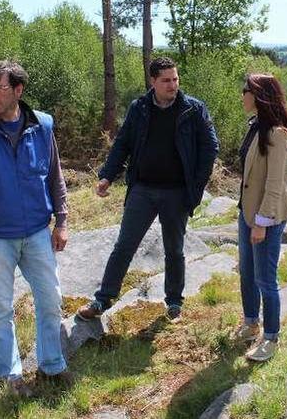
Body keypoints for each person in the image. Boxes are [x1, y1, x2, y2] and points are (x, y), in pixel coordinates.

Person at [0, 60, 71, 396]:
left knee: (50, 299)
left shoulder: (43, 126)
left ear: (18, 90)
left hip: (37, 232)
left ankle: (52, 365)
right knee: (0, 308)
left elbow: (55, 178)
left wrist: (61, 222)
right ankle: (9, 375)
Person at [76, 56, 219, 323]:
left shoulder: (194, 109)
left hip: (176, 193)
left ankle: (174, 303)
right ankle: (102, 299)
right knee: (124, 246)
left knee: (174, 250)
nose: (172, 85)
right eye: (166, 80)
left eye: (175, 79)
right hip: (142, 190)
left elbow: (210, 148)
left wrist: (196, 188)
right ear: (152, 81)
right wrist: (107, 176)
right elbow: (122, 144)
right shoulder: (139, 108)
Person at [233, 73, 287, 362]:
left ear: (258, 95)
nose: (242, 95)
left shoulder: (277, 134)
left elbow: (274, 184)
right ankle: (250, 323)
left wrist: (261, 223)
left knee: (265, 280)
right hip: (246, 213)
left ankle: (271, 337)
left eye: (245, 90)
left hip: (265, 218)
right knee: (246, 273)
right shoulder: (255, 127)